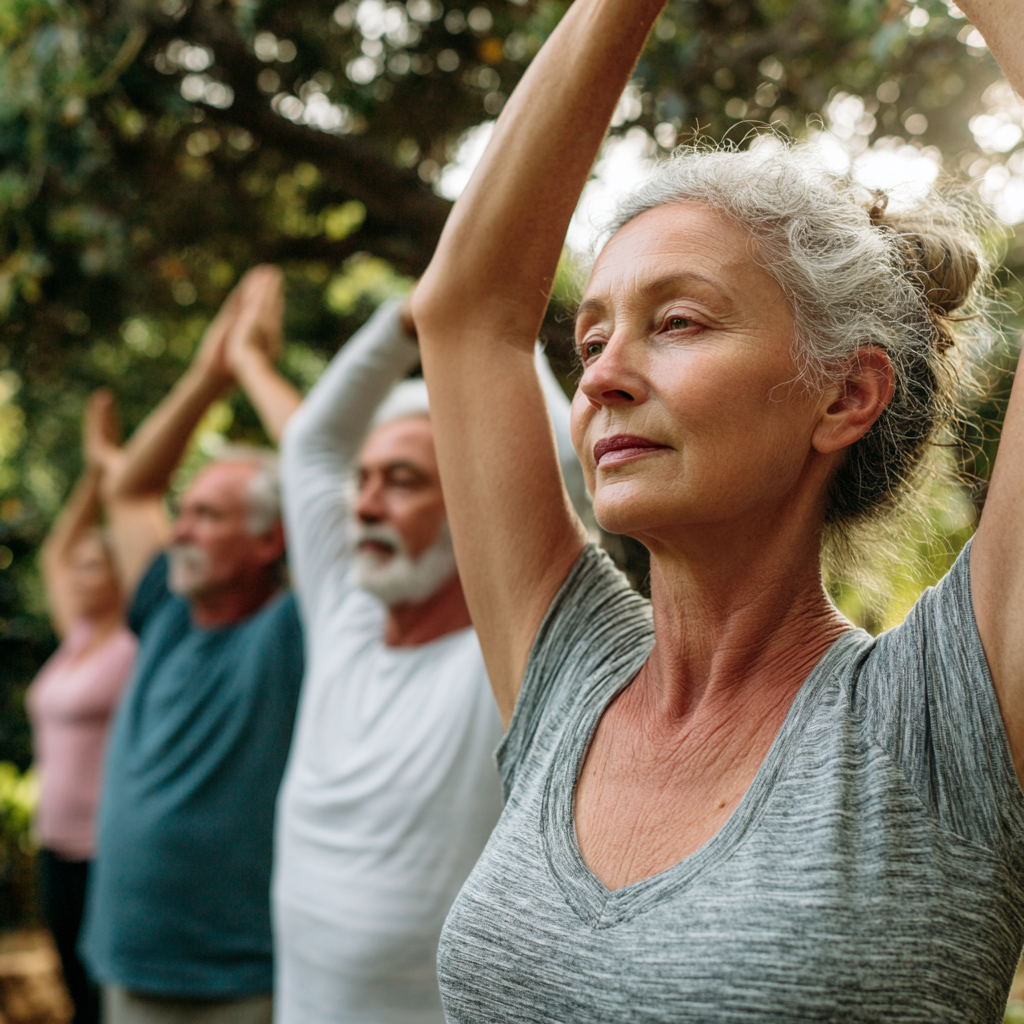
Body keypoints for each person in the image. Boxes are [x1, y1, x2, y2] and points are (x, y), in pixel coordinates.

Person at [408, 0, 1024, 1019]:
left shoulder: (944, 715)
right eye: (591, 339)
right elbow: (466, 312)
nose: (603, 377)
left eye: (677, 321)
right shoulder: (567, 680)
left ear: (844, 394)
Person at [224, 266, 591, 1024]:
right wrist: (413, 316)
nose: (363, 505)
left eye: (400, 481)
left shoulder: (513, 653)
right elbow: (313, 447)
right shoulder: (345, 618)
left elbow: (564, 465)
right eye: (364, 480)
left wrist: (489, 323)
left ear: (470, 504)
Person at [78, 275, 304, 1024]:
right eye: (187, 514)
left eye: (206, 516)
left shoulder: (290, 633)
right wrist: (207, 374)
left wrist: (250, 365)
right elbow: (131, 493)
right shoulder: (166, 612)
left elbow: (329, 482)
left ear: (270, 538)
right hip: (129, 963)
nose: (179, 531)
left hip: (241, 982)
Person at [26, 391, 136, 1024]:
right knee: (71, 988)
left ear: (120, 577)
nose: (77, 574)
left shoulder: (132, 646)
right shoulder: (76, 641)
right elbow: (53, 553)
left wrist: (117, 472)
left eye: (95, 566)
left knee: (102, 998)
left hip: (104, 849)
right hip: (55, 844)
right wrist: (94, 473)